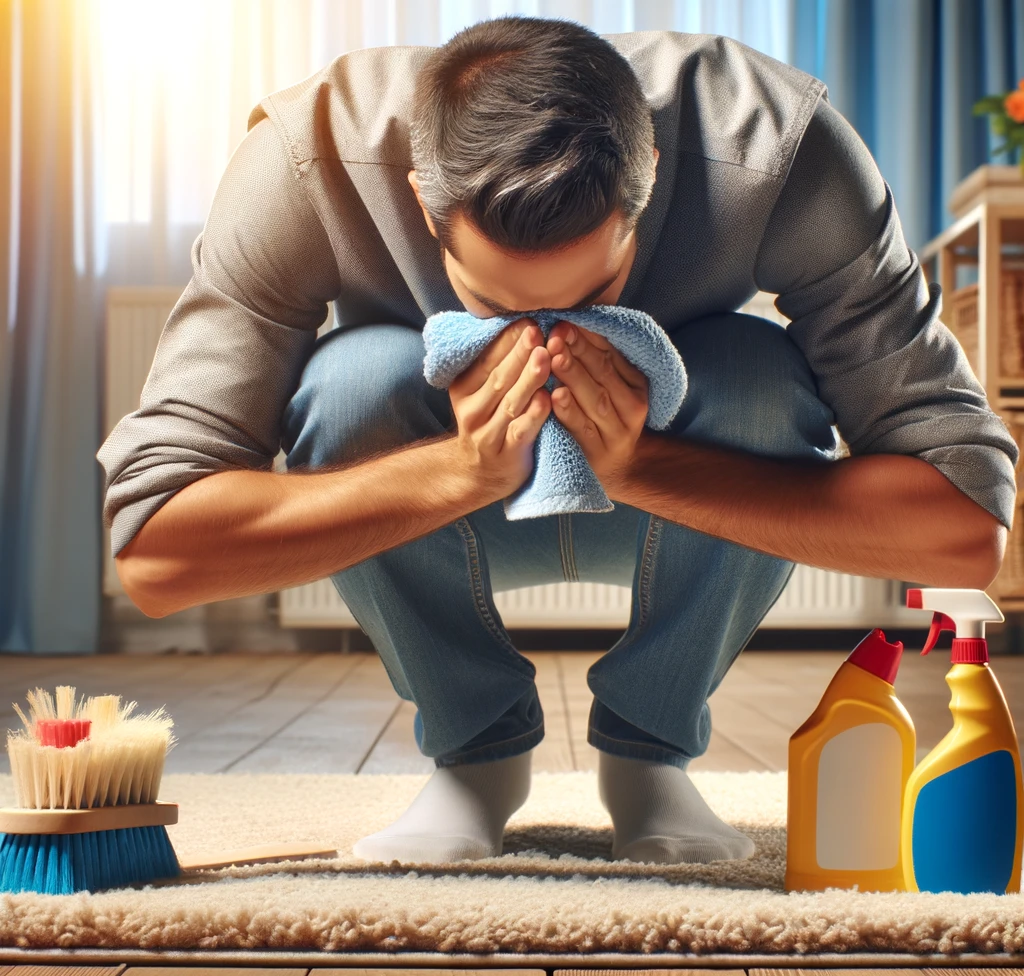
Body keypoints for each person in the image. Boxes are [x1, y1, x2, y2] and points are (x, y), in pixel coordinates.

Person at [97, 17, 1017, 866]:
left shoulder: (777, 151)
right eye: (498, 304)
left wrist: (645, 465)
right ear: (422, 200)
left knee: (757, 377)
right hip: (448, 512)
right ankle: (475, 759)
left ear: (648, 174)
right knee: (350, 384)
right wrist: (457, 472)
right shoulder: (308, 162)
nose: (548, 340)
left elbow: (966, 527)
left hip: (669, 495)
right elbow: (154, 550)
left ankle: (650, 758)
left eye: (596, 291)